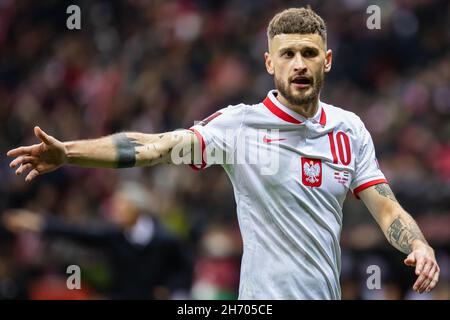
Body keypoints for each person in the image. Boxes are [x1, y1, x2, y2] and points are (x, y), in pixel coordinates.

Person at [6, 7, 439, 299]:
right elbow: (153, 147)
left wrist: (418, 244)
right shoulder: (239, 125)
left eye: (309, 53)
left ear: (327, 60)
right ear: (270, 63)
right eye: (287, 54)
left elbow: (386, 208)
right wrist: (70, 153)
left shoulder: (350, 129)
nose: (299, 64)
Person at [2, 181, 193, 299]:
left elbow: (185, 269)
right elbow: (78, 232)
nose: (114, 210)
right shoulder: (115, 235)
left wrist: (169, 288)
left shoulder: (165, 239)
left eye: (120, 206)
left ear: (136, 209)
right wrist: (37, 223)